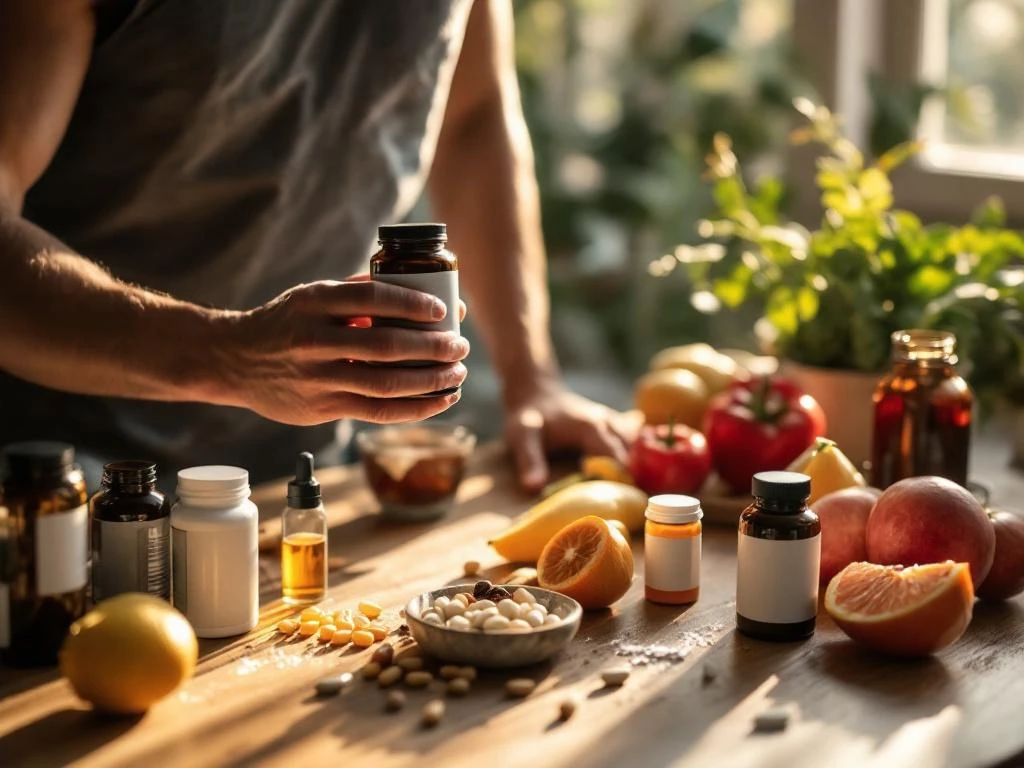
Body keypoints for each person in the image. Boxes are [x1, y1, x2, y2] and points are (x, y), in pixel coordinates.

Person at [0, 0, 634, 489]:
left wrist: (533, 379)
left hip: (306, 469)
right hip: (54, 472)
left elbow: (473, 117)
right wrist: (229, 357)